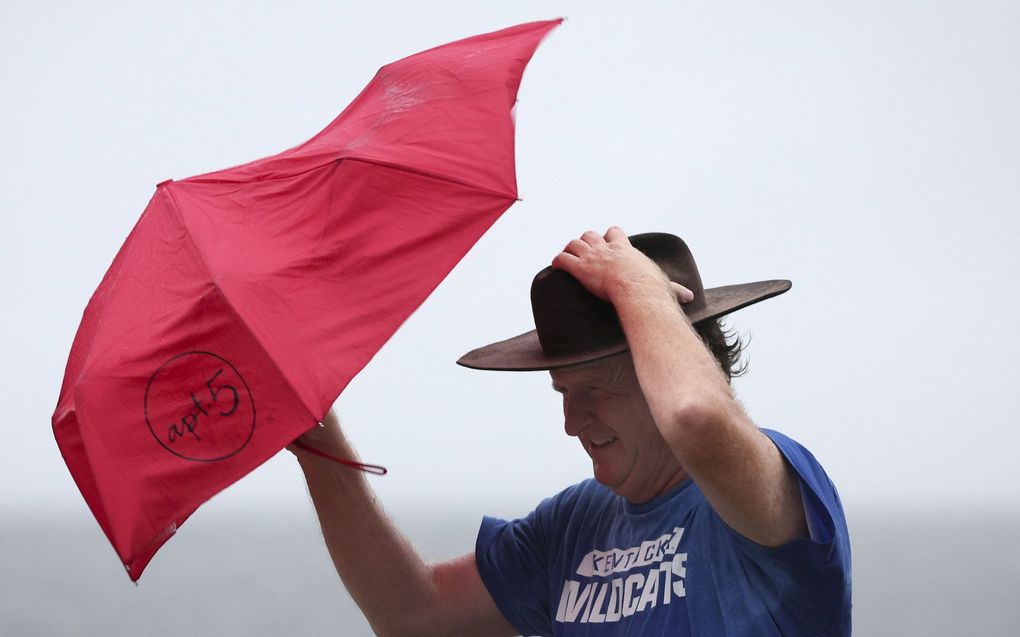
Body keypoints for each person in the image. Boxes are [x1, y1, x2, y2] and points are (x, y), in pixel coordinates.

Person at [290, 227, 852, 636]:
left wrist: (641, 291)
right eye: (563, 391)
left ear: (675, 367)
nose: (571, 423)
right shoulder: (574, 524)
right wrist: (319, 445)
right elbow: (413, 616)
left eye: (598, 388)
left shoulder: (770, 483)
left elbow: (697, 419)